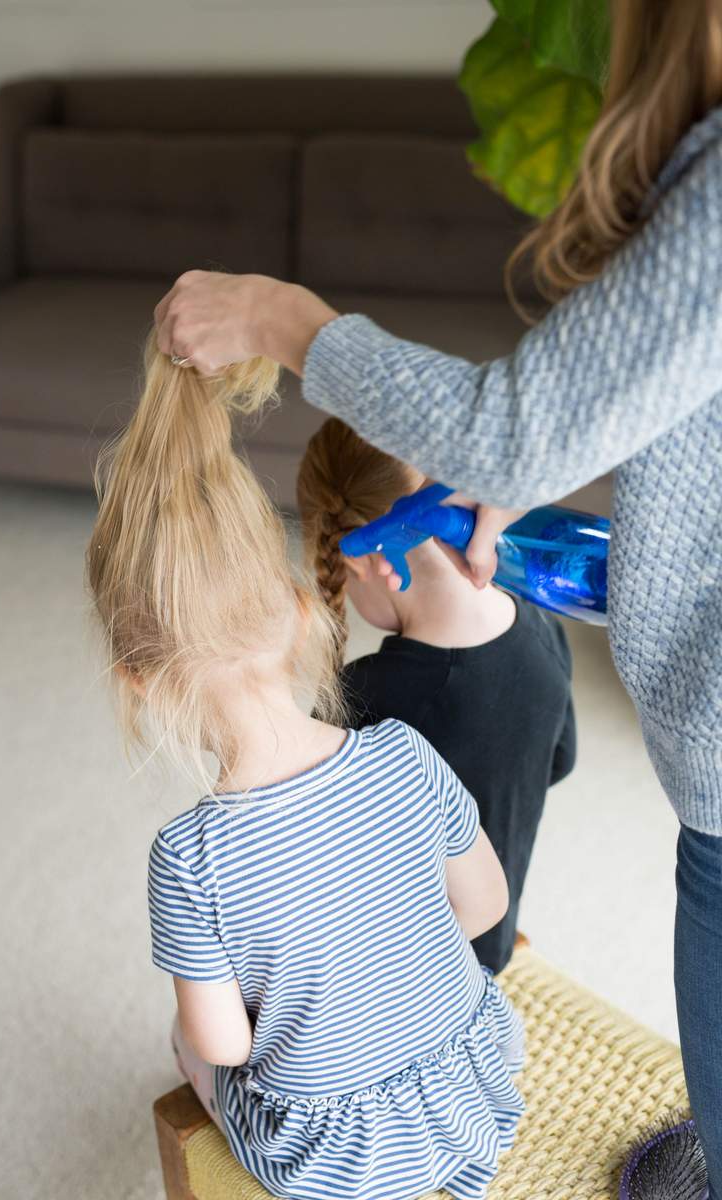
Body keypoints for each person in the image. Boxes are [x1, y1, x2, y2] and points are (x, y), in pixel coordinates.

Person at [152, 3, 722, 1191]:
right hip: (468, 1039)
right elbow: (496, 870)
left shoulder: (227, 830)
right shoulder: (500, 675)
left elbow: (226, 1040)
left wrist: (280, 317)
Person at [86, 336, 526, 1200]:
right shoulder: (403, 751)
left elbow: (226, 1046)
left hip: (343, 1158)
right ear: (297, 611)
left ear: (136, 684)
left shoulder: (189, 861)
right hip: (472, 1087)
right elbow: (485, 905)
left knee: (190, 1051)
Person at [297, 417, 576, 973]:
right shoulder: (542, 628)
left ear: (358, 558)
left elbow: (315, 857)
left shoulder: (369, 695)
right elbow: (560, 761)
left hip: (396, 983)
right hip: (486, 955)